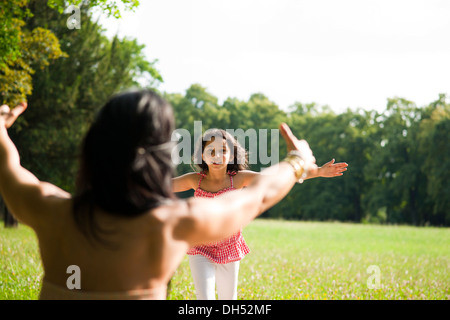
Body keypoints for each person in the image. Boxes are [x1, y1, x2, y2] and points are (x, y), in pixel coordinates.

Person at [0, 90, 316, 300]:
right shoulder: (174, 223)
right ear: (162, 156)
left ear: (93, 147)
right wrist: (297, 161)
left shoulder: (49, 210)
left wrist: (1, 129)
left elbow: (8, 169)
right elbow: (258, 195)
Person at [172, 129, 348, 300]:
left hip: (229, 247)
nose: (216, 155)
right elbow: (164, 185)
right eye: (210, 151)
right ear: (202, 156)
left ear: (232, 155)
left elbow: (273, 181)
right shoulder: (195, 179)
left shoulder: (238, 178)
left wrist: (318, 172)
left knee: (228, 299)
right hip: (201, 247)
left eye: (223, 151)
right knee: (204, 298)